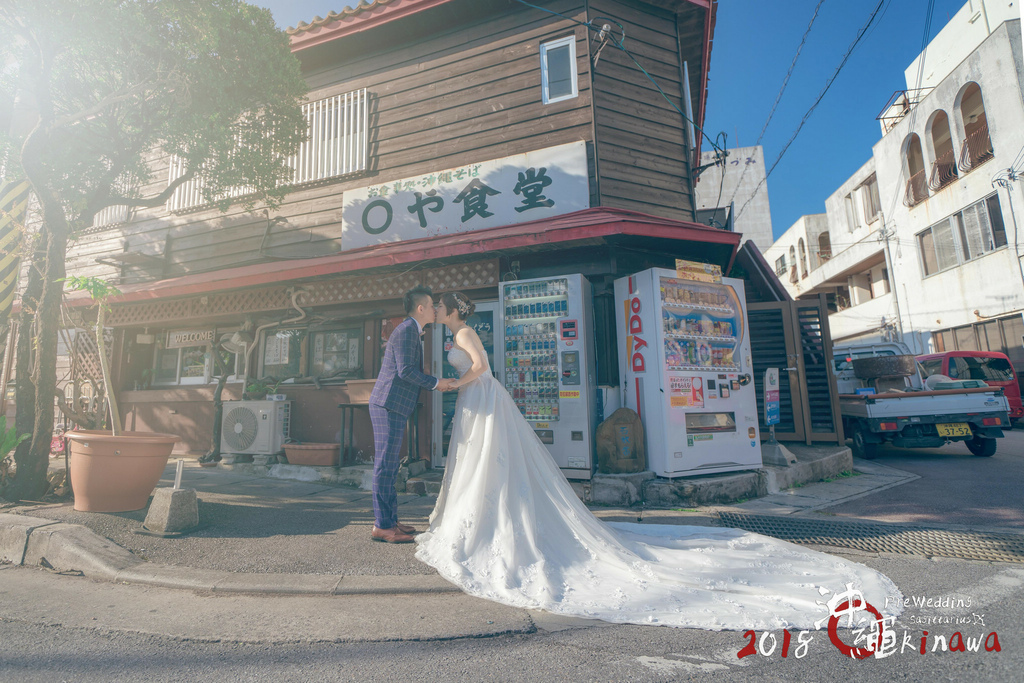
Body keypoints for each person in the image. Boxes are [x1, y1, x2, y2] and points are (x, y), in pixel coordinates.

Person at [415, 291, 903, 630]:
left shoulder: (465, 334)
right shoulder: (455, 334)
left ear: (452, 311)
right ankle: (474, 517)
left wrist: (454, 383)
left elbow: (483, 368)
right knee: (480, 462)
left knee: (487, 461)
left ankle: (479, 522)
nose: (436, 311)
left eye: (439, 307)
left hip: (479, 397)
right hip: (477, 402)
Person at [369, 286, 454, 544]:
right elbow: (405, 371)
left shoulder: (411, 330)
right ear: (420, 308)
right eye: (431, 305)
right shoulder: (407, 330)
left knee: (390, 465)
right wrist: (436, 383)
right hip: (388, 404)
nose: (435, 310)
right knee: (385, 466)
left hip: (393, 404)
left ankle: (390, 520)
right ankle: (383, 526)